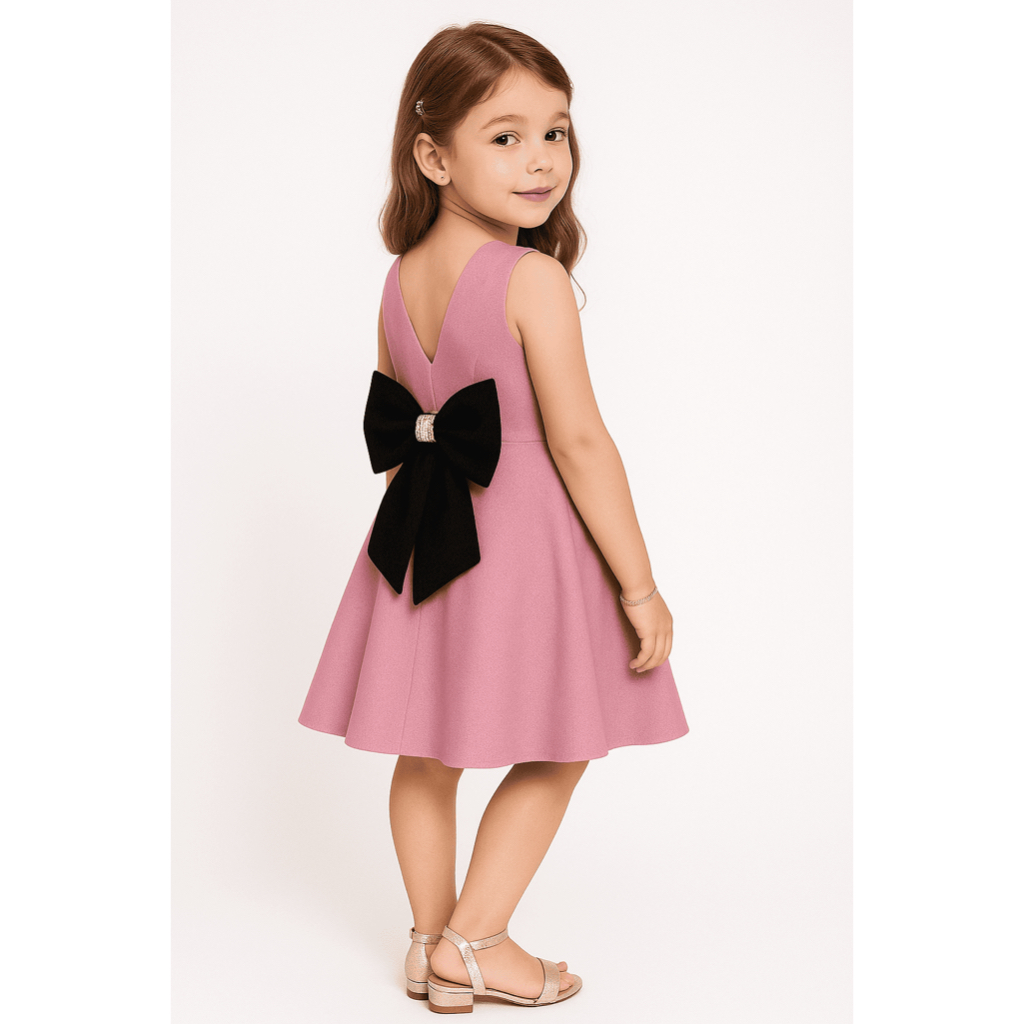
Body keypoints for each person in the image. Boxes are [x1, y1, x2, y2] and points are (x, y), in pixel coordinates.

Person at [298, 20, 689, 1012]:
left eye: (555, 132)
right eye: (506, 136)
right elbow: (580, 442)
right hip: (518, 543)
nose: (541, 159)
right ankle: (477, 940)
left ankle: (429, 942)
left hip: (419, 534)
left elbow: (400, 420)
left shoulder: (398, 279)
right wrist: (638, 586)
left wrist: (410, 553)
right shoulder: (531, 279)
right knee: (563, 741)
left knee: (426, 751)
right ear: (434, 157)